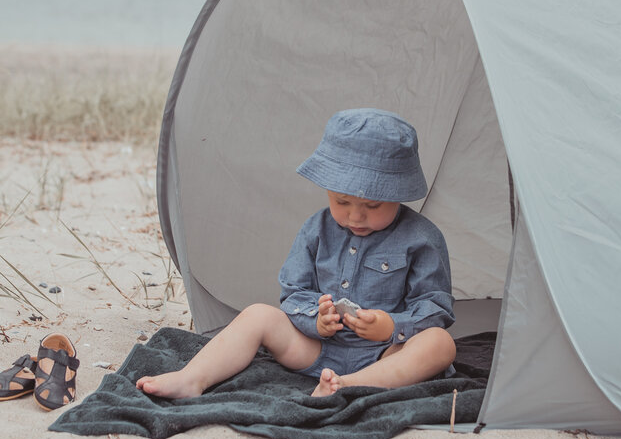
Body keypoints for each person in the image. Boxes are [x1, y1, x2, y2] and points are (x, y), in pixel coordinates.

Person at [136, 108, 456, 399]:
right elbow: (293, 294)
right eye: (342, 202)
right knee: (257, 314)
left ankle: (349, 386)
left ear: (399, 194)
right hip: (318, 348)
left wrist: (391, 326)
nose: (356, 216)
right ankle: (192, 378)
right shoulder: (316, 230)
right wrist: (315, 321)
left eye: (373, 206)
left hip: (385, 353)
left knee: (439, 344)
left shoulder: (421, 238)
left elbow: (434, 307)